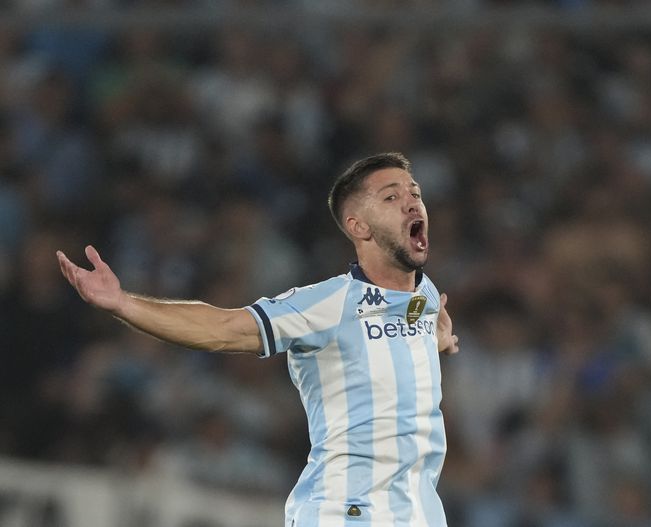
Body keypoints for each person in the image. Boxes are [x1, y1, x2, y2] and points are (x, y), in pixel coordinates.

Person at [56, 152, 460, 527]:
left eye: (415, 193)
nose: (412, 203)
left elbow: (405, 340)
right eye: (391, 197)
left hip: (419, 514)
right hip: (348, 512)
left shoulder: (423, 295)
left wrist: (436, 341)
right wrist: (124, 303)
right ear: (359, 226)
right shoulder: (329, 304)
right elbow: (222, 328)